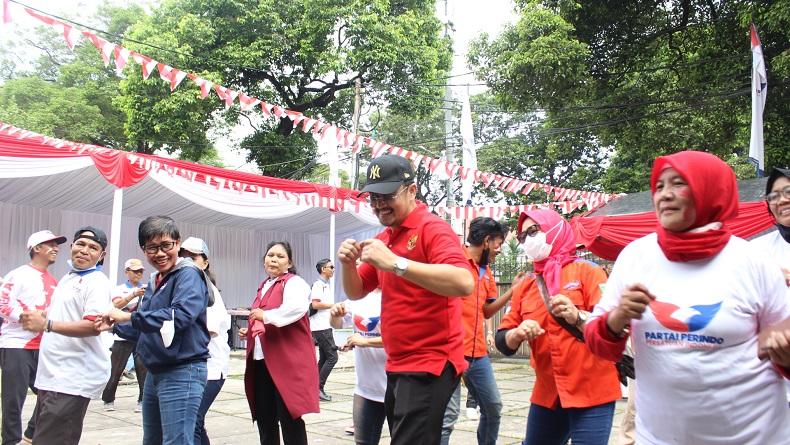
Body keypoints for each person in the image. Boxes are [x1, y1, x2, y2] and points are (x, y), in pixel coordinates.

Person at [585, 151, 790, 444]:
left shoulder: (754, 262)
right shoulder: (635, 257)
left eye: (678, 184)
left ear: (710, 189)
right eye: (658, 186)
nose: (664, 195)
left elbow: (784, 343)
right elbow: (599, 346)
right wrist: (616, 320)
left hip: (754, 436)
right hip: (658, 438)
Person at [337, 155, 475, 445]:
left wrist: (396, 264)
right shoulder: (385, 238)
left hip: (430, 360)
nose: (379, 205)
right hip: (397, 361)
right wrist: (348, 265)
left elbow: (463, 282)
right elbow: (357, 291)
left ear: (411, 191)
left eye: (387, 196)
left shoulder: (432, 228)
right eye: (373, 198)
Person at [495, 208, 620, 445]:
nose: (528, 240)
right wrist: (517, 334)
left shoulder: (589, 272)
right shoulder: (527, 285)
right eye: (523, 237)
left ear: (555, 229)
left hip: (592, 390)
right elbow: (502, 339)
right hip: (548, 393)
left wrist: (578, 316)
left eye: (534, 231)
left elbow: (611, 330)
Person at [100, 216, 211, 445]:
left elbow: (180, 316)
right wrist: (113, 324)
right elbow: (146, 326)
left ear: (177, 244)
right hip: (155, 370)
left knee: (176, 441)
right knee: (153, 440)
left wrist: (128, 316)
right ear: (143, 249)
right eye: (152, 247)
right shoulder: (154, 280)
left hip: (182, 370)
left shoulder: (188, 274)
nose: (160, 253)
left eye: (166, 245)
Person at [20, 227, 112, 445]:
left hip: (72, 379)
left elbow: (93, 326)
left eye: (93, 247)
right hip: (52, 377)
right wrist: (42, 315)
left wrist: (47, 324)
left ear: (102, 255)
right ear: (71, 247)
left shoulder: (96, 282)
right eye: (80, 244)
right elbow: (64, 313)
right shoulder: (68, 278)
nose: (84, 250)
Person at [441, 217, 523, 445]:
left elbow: (486, 311)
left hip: (477, 353)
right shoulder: (453, 261)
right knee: (447, 417)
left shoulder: (486, 272)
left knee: (493, 407)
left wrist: (512, 292)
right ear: (487, 241)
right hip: (450, 352)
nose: (500, 249)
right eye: (498, 243)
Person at [241, 241, 319, 445]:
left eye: (280, 256)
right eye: (270, 255)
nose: (273, 259)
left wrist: (265, 316)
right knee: (264, 417)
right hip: (261, 361)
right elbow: (262, 319)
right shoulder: (264, 285)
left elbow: (295, 309)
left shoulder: (294, 283)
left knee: (289, 417)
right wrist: (250, 331)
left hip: (286, 363)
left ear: (289, 262)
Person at [0, 230, 65, 445]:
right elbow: (3, 303)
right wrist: (25, 317)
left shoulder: (55, 281)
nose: (56, 248)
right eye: (50, 244)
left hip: (44, 346)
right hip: (16, 345)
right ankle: (10, 441)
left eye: (57, 244)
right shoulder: (17, 275)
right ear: (36, 248)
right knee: (13, 401)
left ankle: (30, 435)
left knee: (52, 395)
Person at [178, 236, 231, 445]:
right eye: (182, 257)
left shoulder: (208, 291)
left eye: (193, 257)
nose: (187, 262)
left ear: (205, 262)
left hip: (210, 369)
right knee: (195, 423)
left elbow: (207, 331)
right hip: (195, 368)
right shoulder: (187, 287)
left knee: (192, 423)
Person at [751, 167, 790, 407]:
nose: (781, 200)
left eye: (788, 191)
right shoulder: (756, 251)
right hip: (770, 387)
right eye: (773, 196)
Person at [329, 289, 387, 445]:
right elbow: (340, 326)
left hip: (399, 387)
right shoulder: (356, 298)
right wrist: (334, 316)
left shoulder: (398, 294)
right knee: (363, 442)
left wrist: (367, 341)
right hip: (366, 387)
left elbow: (403, 336)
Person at [102, 258, 148, 413]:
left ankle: (143, 400)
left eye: (140, 271)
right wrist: (133, 295)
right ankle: (108, 399)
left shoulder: (147, 288)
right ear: (127, 272)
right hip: (123, 333)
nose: (138, 274)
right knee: (116, 369)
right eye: (135, 271)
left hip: (141, 333)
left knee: (142, 368)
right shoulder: (119, 289)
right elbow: (117, 305)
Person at [310, 258, 338, 402]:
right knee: (333, 357)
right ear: (323, 269)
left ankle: (314, 387)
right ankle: (318, 389)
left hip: (324, 326)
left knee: (325, 357)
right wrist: (333, 305)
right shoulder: (318, 285)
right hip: (320, 326)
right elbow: (315, 305)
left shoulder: (325, 285)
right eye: (331, 267)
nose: (333, 269)